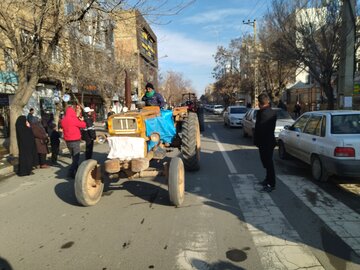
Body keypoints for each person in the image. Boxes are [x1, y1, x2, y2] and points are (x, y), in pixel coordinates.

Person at [254, 93, 277, 192]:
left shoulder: (262, 113)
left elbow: (260, 129)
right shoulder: (272, 112)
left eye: (258, 102)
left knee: (268, 163)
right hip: (270, 141)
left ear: (260, 103)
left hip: (264, 142)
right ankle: (267, 180)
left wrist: (256, 141)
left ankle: (271, 184)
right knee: (268, 163)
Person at [61, 106, 86, 179]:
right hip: (75, 140)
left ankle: (76, 172)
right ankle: (70, 172)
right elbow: (83, 125)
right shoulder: (73, 119)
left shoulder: (63, 120)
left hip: (67, 140)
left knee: (73, 157)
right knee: (76, 157)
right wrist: (82, 120)